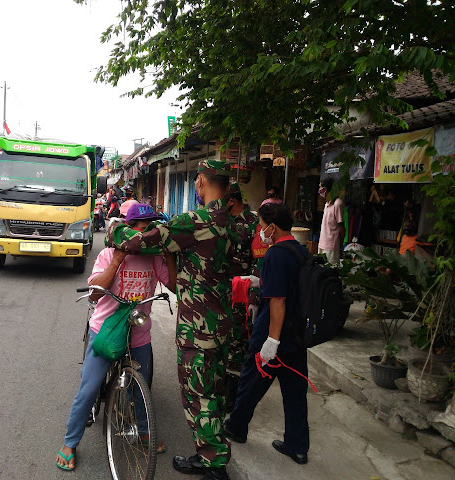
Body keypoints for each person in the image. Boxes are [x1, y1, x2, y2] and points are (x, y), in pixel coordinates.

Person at [108, 160, 236, 480]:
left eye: (196, 181)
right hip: (225, 323)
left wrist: (115, 227)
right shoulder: (237, 223)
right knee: (217, 393)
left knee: (199, 394)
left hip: (198, 328)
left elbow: (141, 241)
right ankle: (213, 450)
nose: (195, 187)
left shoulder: (193, 221)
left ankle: (213, 464)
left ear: (203, 181)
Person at [56, 203, 176, 472]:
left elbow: (173, 285)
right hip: (106, 330)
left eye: (153, 228)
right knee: (89, 389)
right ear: (130, 230)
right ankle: (70, 442)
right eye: (145, 229)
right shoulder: (109, 253)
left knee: (143, 385)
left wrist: (169, 252)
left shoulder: (154, 257)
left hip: (138, 331)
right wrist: (118, 259)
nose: (150, 235)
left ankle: (145, 431)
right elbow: (96, 293)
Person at [224, 203, 310, 465]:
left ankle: (236, 428)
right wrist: (258, 281)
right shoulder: (300, 251)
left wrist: (271, 340)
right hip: (297, 335)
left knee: (251, 382)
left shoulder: (275, 254)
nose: (260, 231)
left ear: (273, 226)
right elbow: (292, 287)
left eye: (262, 226)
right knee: (295, 392)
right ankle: (297, 446)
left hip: (274, 333)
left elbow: (278, 301)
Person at [225, 183, 259, 413]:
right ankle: (223, 387)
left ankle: (234, 395)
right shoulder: (224, 221)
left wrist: (254, 297)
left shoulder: (254, 224)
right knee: (225, 339)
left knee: (238, 342)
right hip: (224, 290)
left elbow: (259, 262)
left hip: (243, 293)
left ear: (231, 201)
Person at [317, 176, 345, 265]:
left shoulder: (337, 204)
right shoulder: (326, 204)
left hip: (332, 246)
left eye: (322, 188)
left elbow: (341, 228)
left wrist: (340, 247)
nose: (320, 191)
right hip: (322, 244)